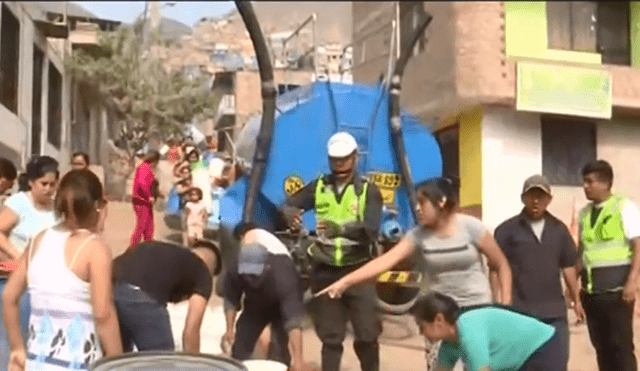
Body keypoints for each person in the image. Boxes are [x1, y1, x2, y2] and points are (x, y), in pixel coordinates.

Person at [281, 131, 383, 371]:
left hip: (360, 269)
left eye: (345, 159)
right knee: (331, 339)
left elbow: (371, 229)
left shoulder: (369, 191)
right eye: (335, 159)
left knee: (367, 337)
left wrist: (342, 230)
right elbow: (288, 204)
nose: (340, 164)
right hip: (325, 270)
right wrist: (290, 216)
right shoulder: (319, 185)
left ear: (355, 158)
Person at [2, 169, 122, 370]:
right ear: (98, 206)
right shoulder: (95, 248)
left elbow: (8, 296)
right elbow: (103, 314)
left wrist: (17, 348)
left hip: (35, 362)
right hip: (77, 363)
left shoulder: (38, 240)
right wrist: (119, 363)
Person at [493, 174, 585, 371]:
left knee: (556, 365)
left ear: (549, 199)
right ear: (523, 198)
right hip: (520, 313)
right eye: (531, 195)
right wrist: (498, 299)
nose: (536, 201)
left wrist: (576, 301)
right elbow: (495, 268)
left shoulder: (559, 230)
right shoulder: (506, 230)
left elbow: (568, 266)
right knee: (523, 366)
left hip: (554, 314)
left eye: (541, 196)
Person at [222, 225, 315, 371]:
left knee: (279, 350)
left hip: (279, 301)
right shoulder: (237, 265)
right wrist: (229, 330)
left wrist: (298, 360)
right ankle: (238, 363)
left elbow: (293, 322)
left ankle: (281, 362)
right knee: (241, 343)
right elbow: (231, 298)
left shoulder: (283, 276)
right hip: (255, 303)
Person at [577, 160, 640, 371]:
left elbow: (638, 246)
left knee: (620, 348)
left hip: (618, 293)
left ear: (606, 183)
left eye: (590, 181)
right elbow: (583, 251)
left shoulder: (624, 206)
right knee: (601, 349)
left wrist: (633, 281)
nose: (585, 186)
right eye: (584, 181)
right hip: (592, 294)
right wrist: (574, 287)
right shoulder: (584, 213)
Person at [0, 156, 59, 369]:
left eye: (53, 185)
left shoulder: (55, 209)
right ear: (32, 182)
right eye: (44, 184)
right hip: (14, 280)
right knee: (12, 345)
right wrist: (19, 260)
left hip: (42, 286)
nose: (48, 189)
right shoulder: (19, 203)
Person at [112, 240, 220, 353]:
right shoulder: (203, 271)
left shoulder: (158, 248)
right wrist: (195, 364)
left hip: (112, 289)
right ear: (210, 268)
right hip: (145, 300)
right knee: (163, 361)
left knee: (120, 360)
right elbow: (191, 331)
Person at [410, 292, 562, 371]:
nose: (420, 332)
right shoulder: (449, 344)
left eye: (421, 325)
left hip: (541, 349)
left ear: (439, 320)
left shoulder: (467, 329)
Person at [130, 151, 161, 246]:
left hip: (145, 200)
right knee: (142, 225)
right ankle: (133, 247)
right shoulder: (145, 168)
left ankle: (148, 244)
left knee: (149, 225)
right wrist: (149, 196)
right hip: (141, 200)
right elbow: (142, 184)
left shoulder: (146, 167)